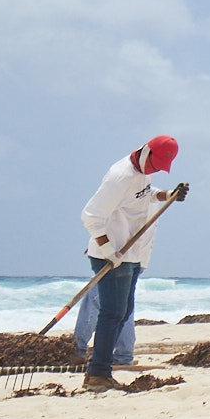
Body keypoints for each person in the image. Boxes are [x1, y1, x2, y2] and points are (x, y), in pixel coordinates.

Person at [80, 135, 185, 391]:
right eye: (155, 163)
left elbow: (145, 195)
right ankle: (97, 374)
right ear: (145, 151)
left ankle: (100, 368)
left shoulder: (143, 171)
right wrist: (108, 250)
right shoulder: (120, 176)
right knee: (112, 312)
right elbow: (90, 216)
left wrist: (167, 194)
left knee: (123, 312)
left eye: (161, 166)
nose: (155, 169)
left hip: (131, 253)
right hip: (112, 253)